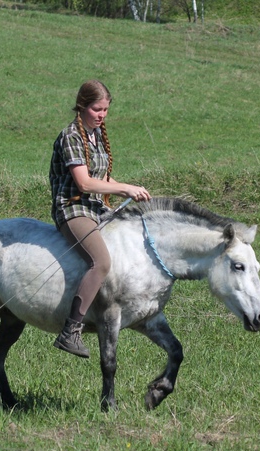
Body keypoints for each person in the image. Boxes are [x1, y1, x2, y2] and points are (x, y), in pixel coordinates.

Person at [50, 80, 151, 358]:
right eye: (97, 109)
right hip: (73, 209)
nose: (102, 115)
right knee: (102, 261)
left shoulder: (95, 134)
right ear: (82, 106)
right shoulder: (71, 136)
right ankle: (71, 330)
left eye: (105, 110)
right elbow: (84, 183)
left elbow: (103, 179)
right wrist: (123, 188)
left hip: (95, 208)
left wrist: (129, 187)